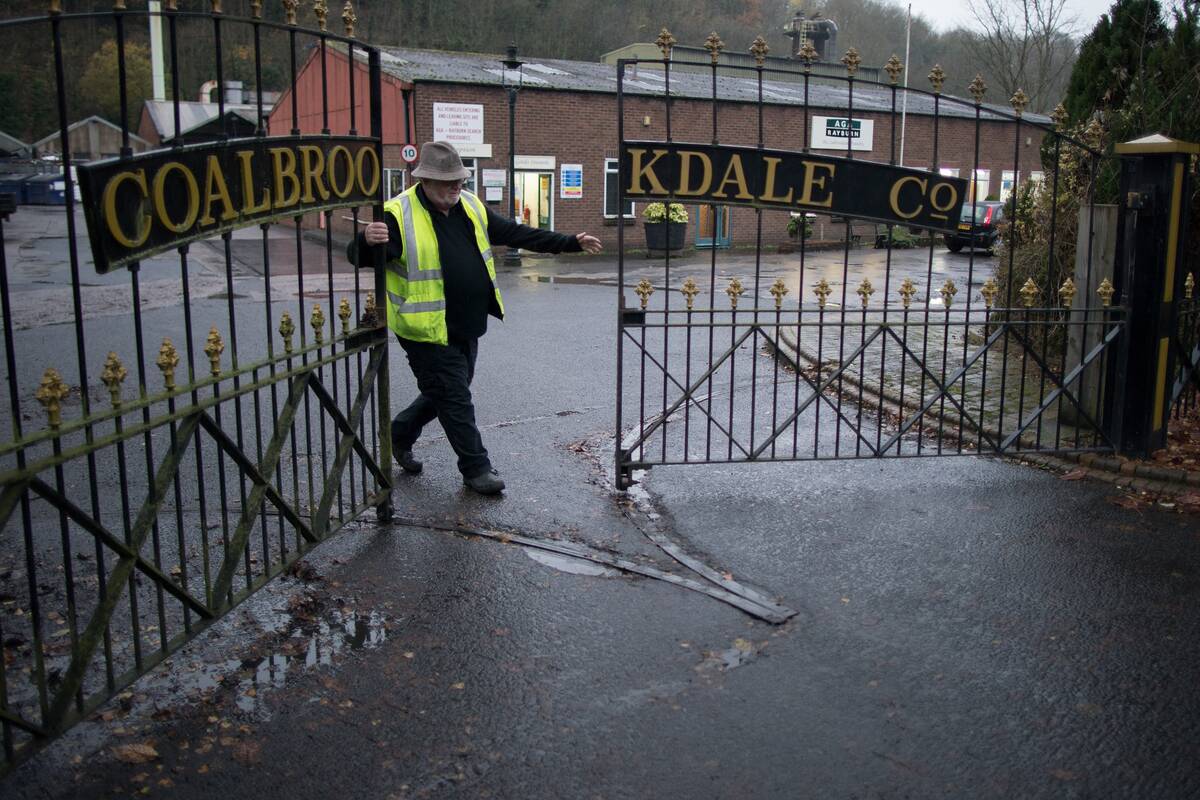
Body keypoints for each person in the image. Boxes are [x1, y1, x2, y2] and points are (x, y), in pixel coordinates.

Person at [348, 141, 603, 495]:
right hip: (426, 330)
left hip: (466, 325)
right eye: (448, 181)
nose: (457, 186)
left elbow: (515, 233)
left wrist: (569, 242)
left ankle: (399, 433)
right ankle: (476, 468)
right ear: (425, 180)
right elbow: (360, 256)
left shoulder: (469, 205)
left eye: (459, 179)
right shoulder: (397, 214)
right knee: (455, 399)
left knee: (446, 391)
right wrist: (364, 239)